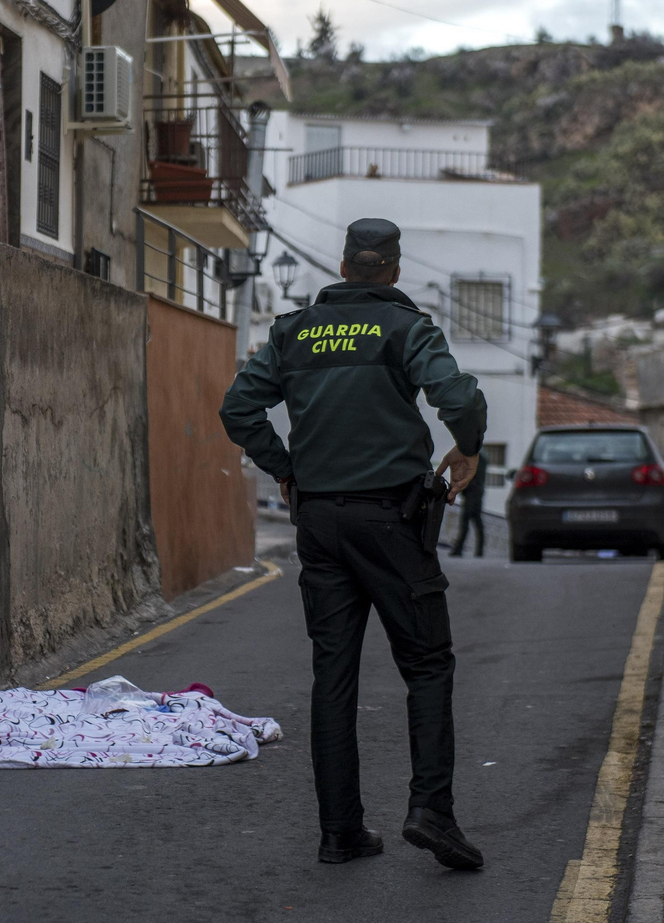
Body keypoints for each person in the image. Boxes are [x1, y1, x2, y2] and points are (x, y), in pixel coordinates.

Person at [219, 218, 488, 870]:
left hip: (319, 521)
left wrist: (285, 468)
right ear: (393, 272)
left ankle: (340, 831)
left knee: (333, 674)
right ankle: (432, 812)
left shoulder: (294, 331)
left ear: (342, 267)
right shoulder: (406, 327)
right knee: (427, 664)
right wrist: (468, 448)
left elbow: (238, 410)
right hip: (392, 521)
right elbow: (459, 400)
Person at [448, 466, 486, 558]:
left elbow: (471, 476)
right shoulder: (481, 460)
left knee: (466, 523)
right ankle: (479, 550)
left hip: (471, 494)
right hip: (475, 494)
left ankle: (459, 548)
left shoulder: (476, 460)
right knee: (476, 523)